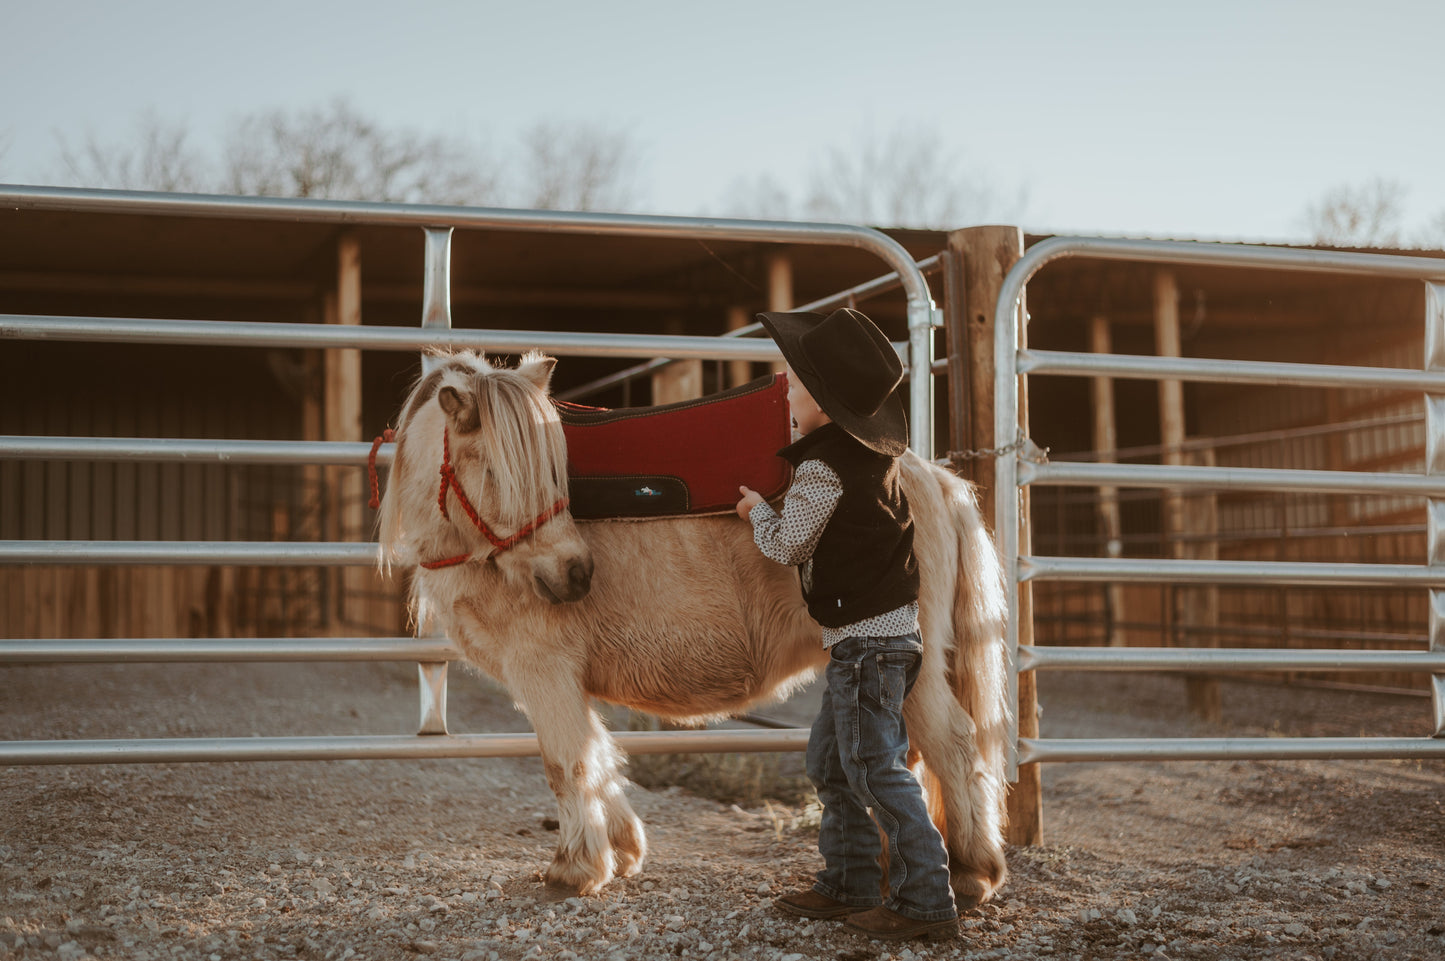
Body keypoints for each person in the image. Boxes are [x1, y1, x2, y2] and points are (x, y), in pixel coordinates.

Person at [735, 307, 958, 942]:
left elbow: (789, 546)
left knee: (874, 768)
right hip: (882, 639)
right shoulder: (871, 462)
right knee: (833, 763)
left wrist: (756, 511)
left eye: (796, 383)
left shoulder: (821, 467)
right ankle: (852, 878)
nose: (786, 388)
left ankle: (925, 898)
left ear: (826, 404)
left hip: (864, 646)